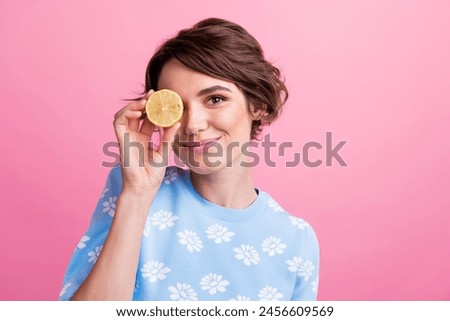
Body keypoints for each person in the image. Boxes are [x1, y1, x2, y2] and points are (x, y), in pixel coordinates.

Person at [59, 18, 319, 301]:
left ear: (257, 105)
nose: (192, 124)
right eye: (177, 106)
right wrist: (137, 196)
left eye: (215, 99)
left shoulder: (297, 240)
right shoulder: (134, 192)